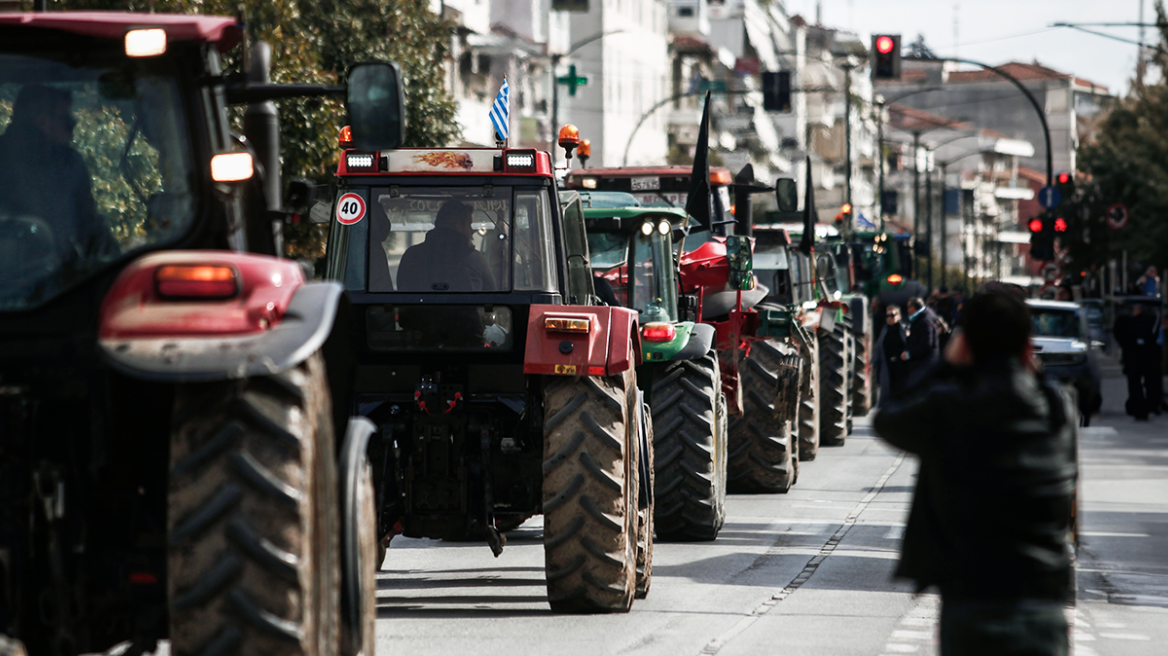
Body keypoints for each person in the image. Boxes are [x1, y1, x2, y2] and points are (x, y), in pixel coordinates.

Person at [874, 291, 1076, 656]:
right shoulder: (1055, 409)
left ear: (964, 345)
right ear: (1027, 348)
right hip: (1043, 604)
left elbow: (888, 416)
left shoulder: (949, 406)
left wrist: (946, 365)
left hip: (971, 603)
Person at [0, 84, 111, 261]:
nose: (72, 133)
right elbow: (89, 227)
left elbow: (89, 227)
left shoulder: (67, 162)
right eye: (68, 123)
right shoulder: (66, 163)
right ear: (43, 121)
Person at [396, 199, 496, 293]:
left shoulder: (412, 256)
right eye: (469, 225)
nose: (472, 231)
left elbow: (402, 291)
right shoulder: (474, 259)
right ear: (459, 226)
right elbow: (491, 295)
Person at [1114, 303, 1163, 420]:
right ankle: (1141, 407)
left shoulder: (1150, 318)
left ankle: (1146, 406)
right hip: (1136, 354)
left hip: (1143, 354)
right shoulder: (1125, 319)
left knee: (1145, 381)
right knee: (1137, 382)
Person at [873, 304, 910, 403]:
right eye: (887, 316)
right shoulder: (884, 331)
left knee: (902, 391)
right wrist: (873, 362)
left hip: (902, 365)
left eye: (892, 315)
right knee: (887, 392)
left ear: (899, 316)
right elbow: (878, 347)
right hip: (887, 365)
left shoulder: (905, 329)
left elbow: (911, 345)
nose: (889, 318)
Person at [900, 296, 939, 387]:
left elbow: (926, 344)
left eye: (908, 307)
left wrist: (909, 354)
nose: (907, 310)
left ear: (913, 308)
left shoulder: (925, 321)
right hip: (922, 363)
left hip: (925, 364)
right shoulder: (920, 319)